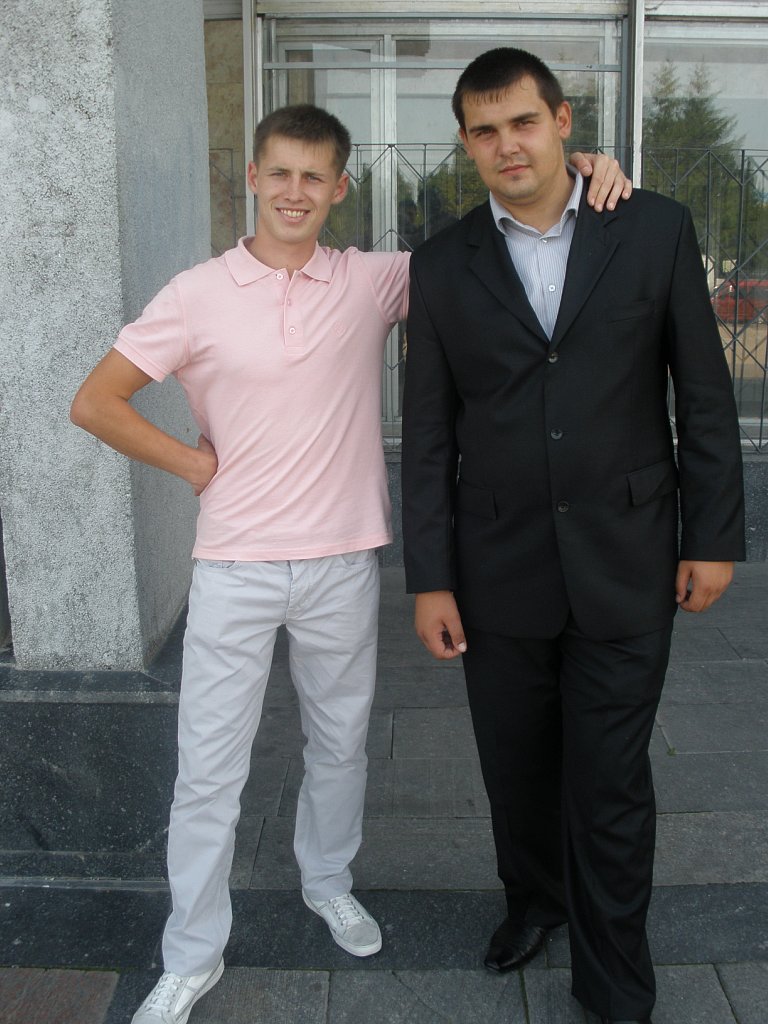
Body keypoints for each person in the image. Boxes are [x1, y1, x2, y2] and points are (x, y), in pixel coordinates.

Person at [70, 101, 630, 1024]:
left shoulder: (375, 280)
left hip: (341, 562)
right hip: (236, 566)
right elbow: (97, 401)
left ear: (339, 189)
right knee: (208, 770)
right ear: (253, 180)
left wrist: (584, 168)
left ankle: (327, 882)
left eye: (314, 177)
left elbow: (488, 247)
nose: (295, 192)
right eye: (279, 174)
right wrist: (195, 466)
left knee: (338, 745)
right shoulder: (196, 293)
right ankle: (192, 951)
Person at [401, 48, 744, 1024]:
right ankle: (535, 903)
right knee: (516, 770)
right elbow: (428, 433)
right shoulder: (442, 263)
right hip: (495, 567)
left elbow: (703, 396)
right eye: (484, 130)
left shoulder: (653, 228)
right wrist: (430, 578)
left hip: (627, 559)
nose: (506, 144)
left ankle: (615, 981)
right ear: (466, 144)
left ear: (561, 122)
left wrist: (713, 535)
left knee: (610, 782)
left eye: (523, 121)